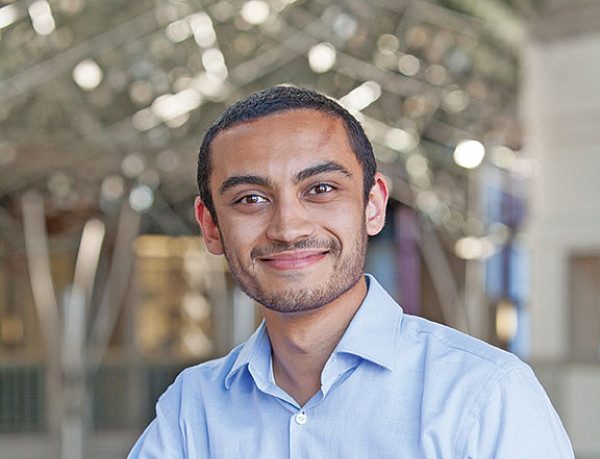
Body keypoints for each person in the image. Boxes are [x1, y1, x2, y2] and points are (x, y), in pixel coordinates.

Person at [128, 86, 573, 458]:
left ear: (373, 205)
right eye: (250, 199)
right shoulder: (193, 409)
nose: (288, 228)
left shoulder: (484, 394)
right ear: (210, 226)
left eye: (320, 189)